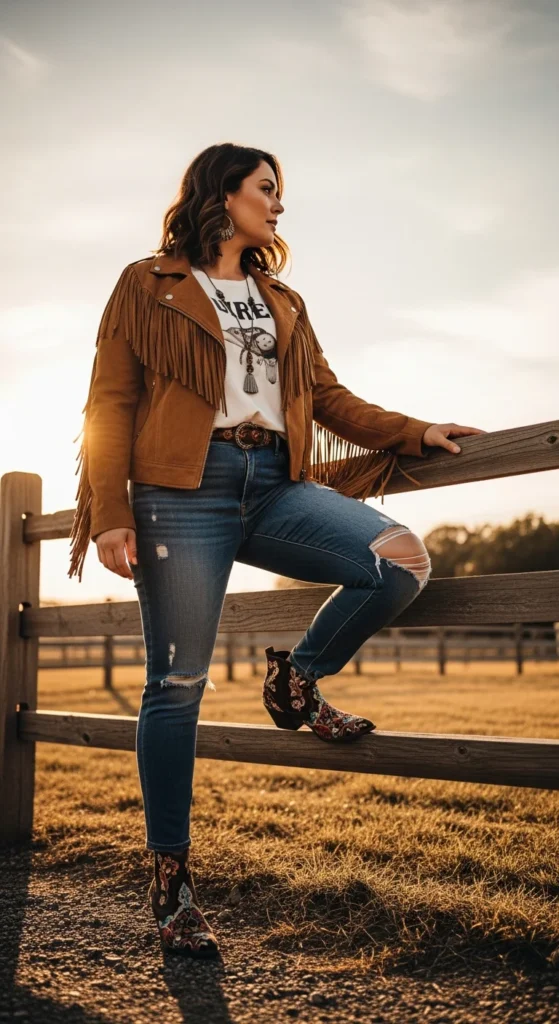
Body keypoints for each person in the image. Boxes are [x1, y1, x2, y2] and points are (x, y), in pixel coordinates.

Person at [68, 143, 486, 957]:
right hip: (179, 489)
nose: (278, 205)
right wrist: (112, 511)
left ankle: (297, 677)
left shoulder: (281, 298)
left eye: (278, 192)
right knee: (178, 682)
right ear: (222, 194)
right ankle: (173, 884)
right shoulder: (145, 283)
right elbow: (111, 398)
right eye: (267, 190)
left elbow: (325, 396)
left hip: (274, 477)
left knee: (400, 558)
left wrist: (415, 431)